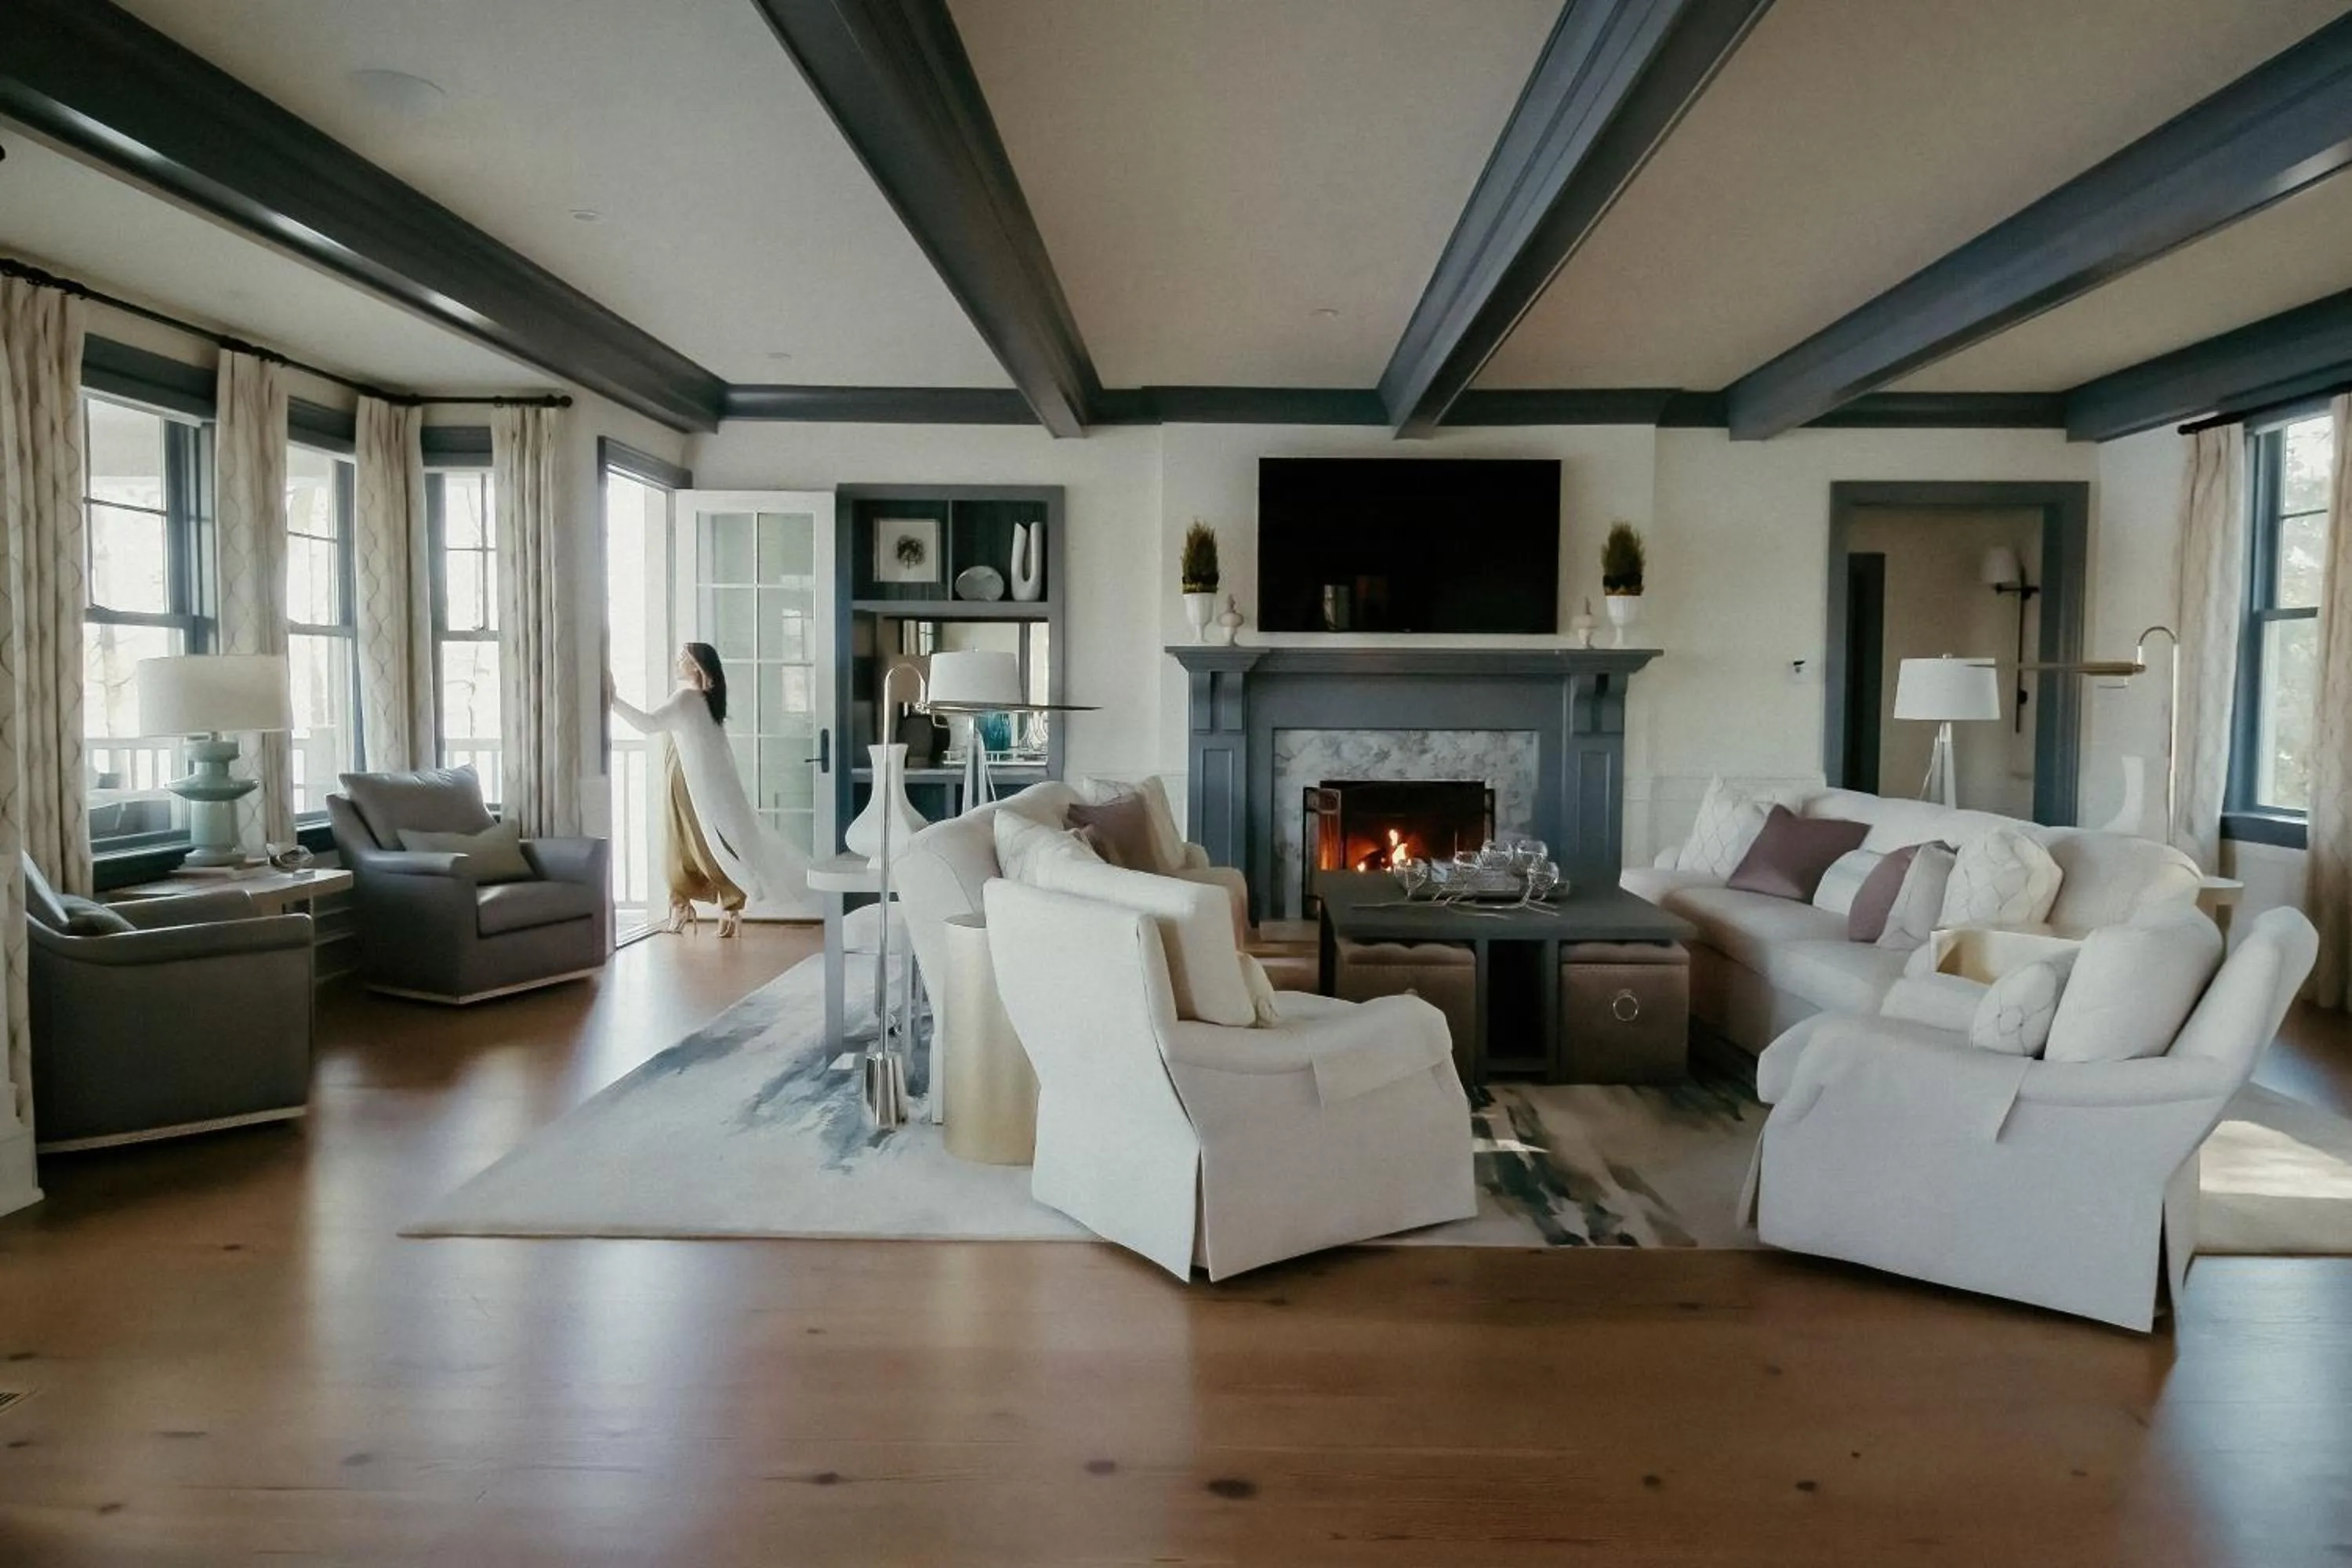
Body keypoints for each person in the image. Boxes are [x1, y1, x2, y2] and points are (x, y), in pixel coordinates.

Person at [608, 643, 812, 938]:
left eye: (683, 658)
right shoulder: (708, 701)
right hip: (693, 777)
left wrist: (614, 701)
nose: (677, 662)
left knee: (685, 844)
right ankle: (716, 907)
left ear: (696, 667)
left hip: (683, 780)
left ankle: (691, 904)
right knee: (696, 843)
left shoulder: (686, 699)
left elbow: (649, 724)